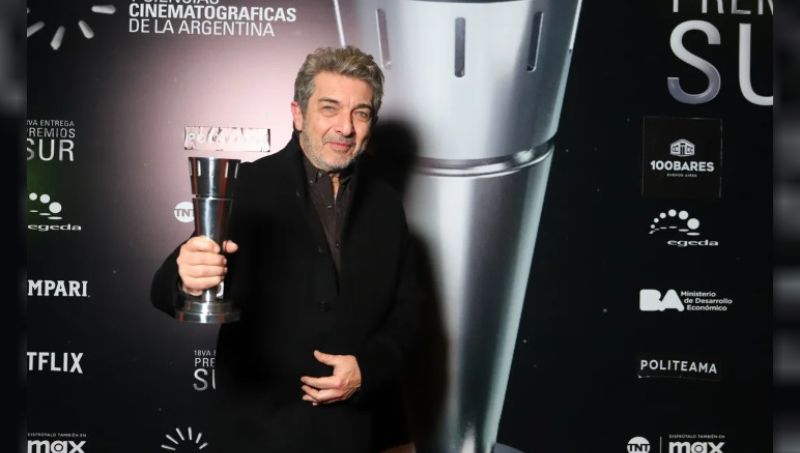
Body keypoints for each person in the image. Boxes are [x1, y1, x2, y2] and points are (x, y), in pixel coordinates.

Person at [151, 46, 424, 453]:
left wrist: (366, 369)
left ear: (372, 123)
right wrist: (186, 276)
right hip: (261, 434)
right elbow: (164, 288)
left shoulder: (386, 205)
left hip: (358, 433)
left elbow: (409, 314)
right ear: (298, 114)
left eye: (360, 113)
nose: (345, 127)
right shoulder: (249, 186)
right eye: (329, 108)